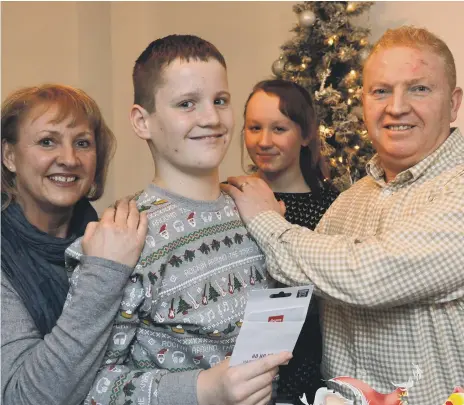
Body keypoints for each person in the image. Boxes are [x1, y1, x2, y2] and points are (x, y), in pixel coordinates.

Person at [223, 26, 464, 404]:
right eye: (380, 91)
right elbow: (293, 291)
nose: (396, 107)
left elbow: (367, 275)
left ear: (453, 103)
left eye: (419, 88)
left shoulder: (458, 188)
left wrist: (267, 222)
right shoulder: (349, 201)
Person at [65, 35, 292, 405]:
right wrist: (203, 389)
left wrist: (274, 230)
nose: (212, 118)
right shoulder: (125, 236)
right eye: (187, 104)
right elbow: (88, 389)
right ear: (142, 121)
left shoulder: (254, 210)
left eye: (220, 101)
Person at [1, 84, 148, 405]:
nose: (69, 159)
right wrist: (104, 273)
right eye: (47, 141)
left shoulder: (114, 234)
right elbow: (22, 398)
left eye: (82, 143)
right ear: (9, 156)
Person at [242, 79, 339, 402]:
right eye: (254, 128)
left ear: (307, 134)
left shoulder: (333, 205)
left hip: (315, 364)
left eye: (279, 129)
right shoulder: (234, 199)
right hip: (248, 367)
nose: (264, 141)